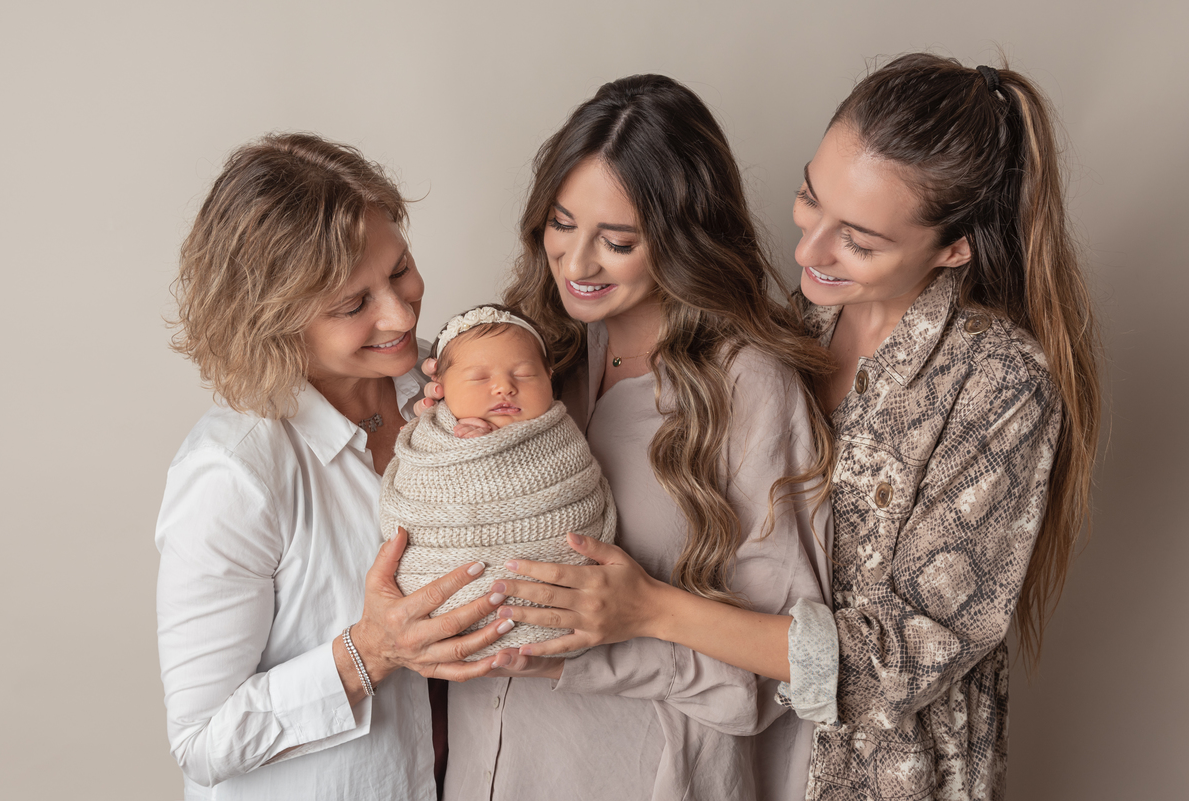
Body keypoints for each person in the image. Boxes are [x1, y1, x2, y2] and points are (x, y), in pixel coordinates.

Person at [493, 55, 1102, 800]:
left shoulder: (999, 382)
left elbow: (903, 660)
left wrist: (650, 608)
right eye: (810, 198)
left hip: (885, 774)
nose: (808, 250)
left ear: (955, 247)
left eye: (860, 240)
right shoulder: (796, 325)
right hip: (758, 756)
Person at [422, 74, 837, 801]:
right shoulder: (531, 355)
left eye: (617, 242)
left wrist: (611, 633)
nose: (577, 263)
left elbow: (790, 672)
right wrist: (434, 439)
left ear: (685, 241)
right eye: (561, 224)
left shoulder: (748, 387)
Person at [156, 133, 511, 801]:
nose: (400, 314)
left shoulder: (449, 384)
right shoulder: (232, 475)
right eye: (353, 305)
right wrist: (371, 651)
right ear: (272, 320)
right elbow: (201, 742)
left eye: (400, 269)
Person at [379, 305, 617, 661]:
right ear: (440, 388)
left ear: (550, 378)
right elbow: (420, 506)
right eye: (479, 378)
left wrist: (501, 449)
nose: (505, 387)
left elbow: (578, 489)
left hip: (564, 605)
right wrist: (466, 453)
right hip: (449, 611)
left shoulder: (561, 438)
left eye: (524, 374)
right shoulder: (433, 438)